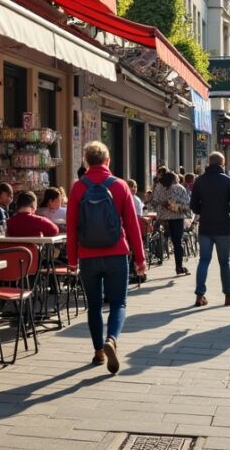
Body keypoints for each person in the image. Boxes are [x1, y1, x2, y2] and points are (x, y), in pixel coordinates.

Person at [67, 141, 146, 373]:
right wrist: (140, 259)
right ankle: (111, 339)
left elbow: (71, 227)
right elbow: (132, 225)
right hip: (116, 253)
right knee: (118, 303)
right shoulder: (120, 186)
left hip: (88, 255)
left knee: (93, 306)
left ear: (86, 161)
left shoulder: (78, 188)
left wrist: (72, 260)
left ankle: (98, 352)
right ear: (108, 161)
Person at [189, 152, 230, 307]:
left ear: (209, 163)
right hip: (223, 227)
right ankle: (228, 295)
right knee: (224, 262)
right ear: (222, 164)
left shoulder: (200, 181)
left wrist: (203, 210)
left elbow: (193, 205)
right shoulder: (228, 181)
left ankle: (199, 295)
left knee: (204, 260)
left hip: (205, 226)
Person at [152, 171, 192, 276]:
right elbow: (187, 202)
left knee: (158, 236)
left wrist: (162, 206)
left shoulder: (158, 187)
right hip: (177, 218)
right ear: (175, 179)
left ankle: (158, 254)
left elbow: (154, 202)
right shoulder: (179, 188)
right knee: (177, 243)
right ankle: (179, 267)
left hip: (162, 218)